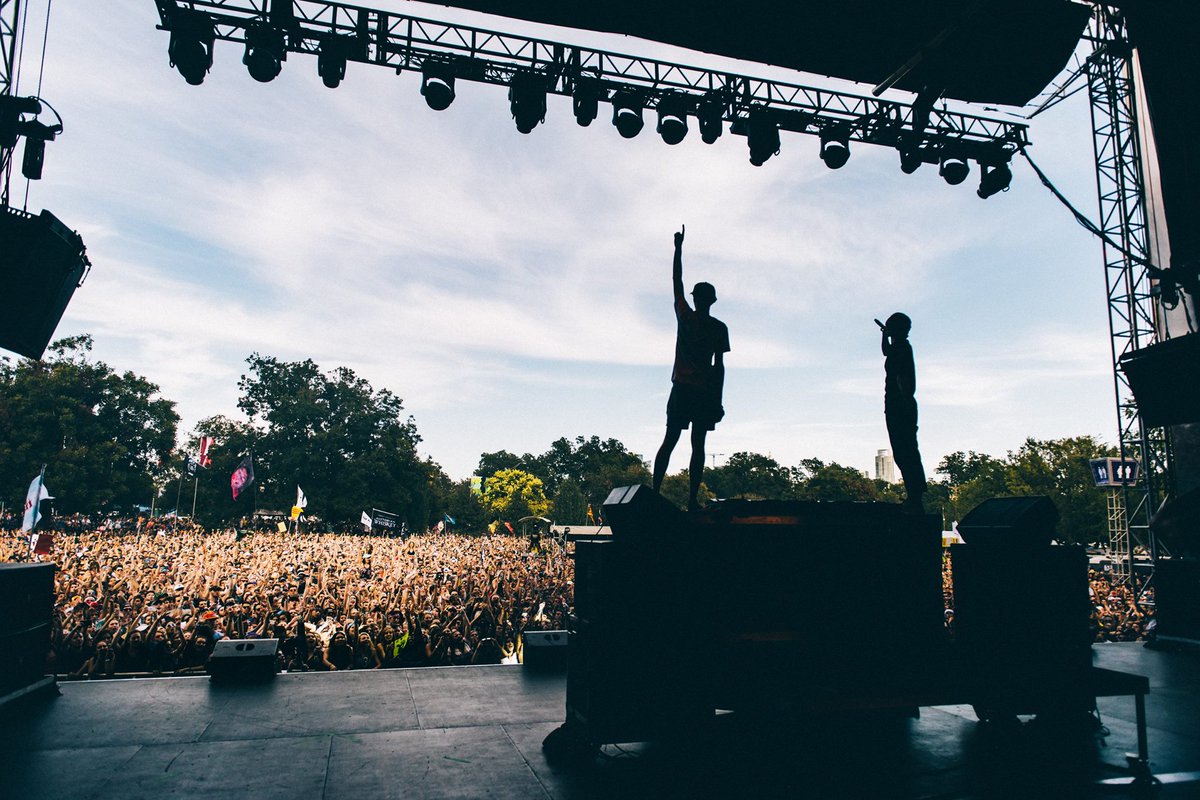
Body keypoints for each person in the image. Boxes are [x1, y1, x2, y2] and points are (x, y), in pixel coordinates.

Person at [652, 225, 730, 511]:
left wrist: (678, 248)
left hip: (682, 388)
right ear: (712, 300)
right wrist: (718, 400)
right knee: (698, 445)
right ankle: (692, 499)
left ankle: (655, 492)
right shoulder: (719, 328)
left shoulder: (685, 317)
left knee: (670, 439)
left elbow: (676, 280)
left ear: (696, 298)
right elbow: (719, 368)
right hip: (704, 392)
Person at [878, 312, 927, 511]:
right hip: (899, 405)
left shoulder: (902, 348)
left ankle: (916, 495)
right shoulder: (899, 347)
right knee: (904, 451)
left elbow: (902, 380)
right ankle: (915, 493)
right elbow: (886, 351)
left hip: (899, 406)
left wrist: (903, 402)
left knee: (905, 451)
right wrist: (884, 334)